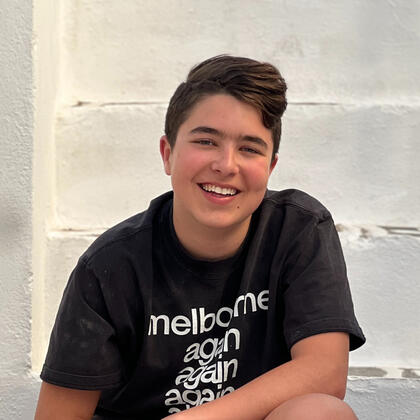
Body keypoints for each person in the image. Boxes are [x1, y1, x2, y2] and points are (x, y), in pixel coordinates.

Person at [35, 55, 365, 420]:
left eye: (250, 148)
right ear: (168, 154)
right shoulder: (109, 266)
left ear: (270, 166)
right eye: (206, 141)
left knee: (320, 413)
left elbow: (325, 372)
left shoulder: (298, 229)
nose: (226, 165)